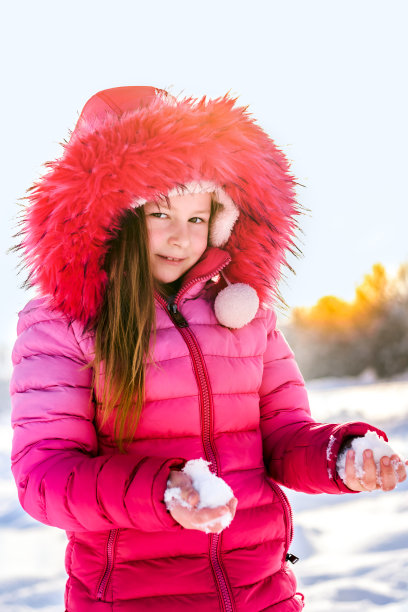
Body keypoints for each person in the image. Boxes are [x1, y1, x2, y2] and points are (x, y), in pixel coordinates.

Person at [10, 86, 406, 612]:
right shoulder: (66, 325)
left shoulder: (244, 317)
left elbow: (282, 439)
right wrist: (162, 491)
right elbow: (46, 476)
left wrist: (342, 455)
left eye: (198, 219)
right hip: (135, 599)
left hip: (260, 595)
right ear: (113, 218)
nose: (182, 239)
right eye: (160, 215)